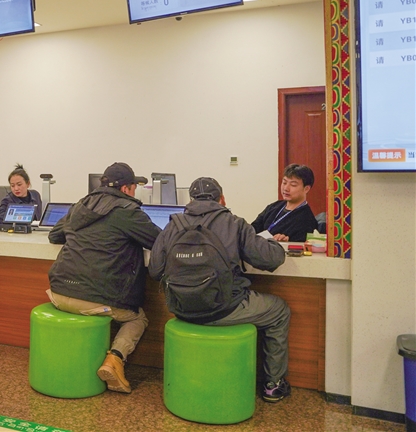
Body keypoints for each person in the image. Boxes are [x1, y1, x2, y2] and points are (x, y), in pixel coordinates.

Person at [149, 177, 292, 403]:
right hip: (224, 308)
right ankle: (273, 385)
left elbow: (155, 270)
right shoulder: (234, 223)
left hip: (181, 308)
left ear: (191, 200)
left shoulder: (173, 225)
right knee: (279, 310)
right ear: (222, 199)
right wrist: (273, 243)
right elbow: (270, 259)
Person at [47, 162, 160, 394]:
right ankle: (115, 359)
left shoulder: (81, 205)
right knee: (137, 318)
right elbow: (160, 241)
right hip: (94, 299)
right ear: (127, 188)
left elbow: (55, 235)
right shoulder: (128, 211)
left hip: (58, 292)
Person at [251, 164, 319, 242]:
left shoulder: (307, 221)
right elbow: (252, 230)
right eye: (284, 182)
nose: (286, 188)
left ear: (306, 189)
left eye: (293, 185)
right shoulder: (274, 206)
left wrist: (284, 243)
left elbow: (299, 246)